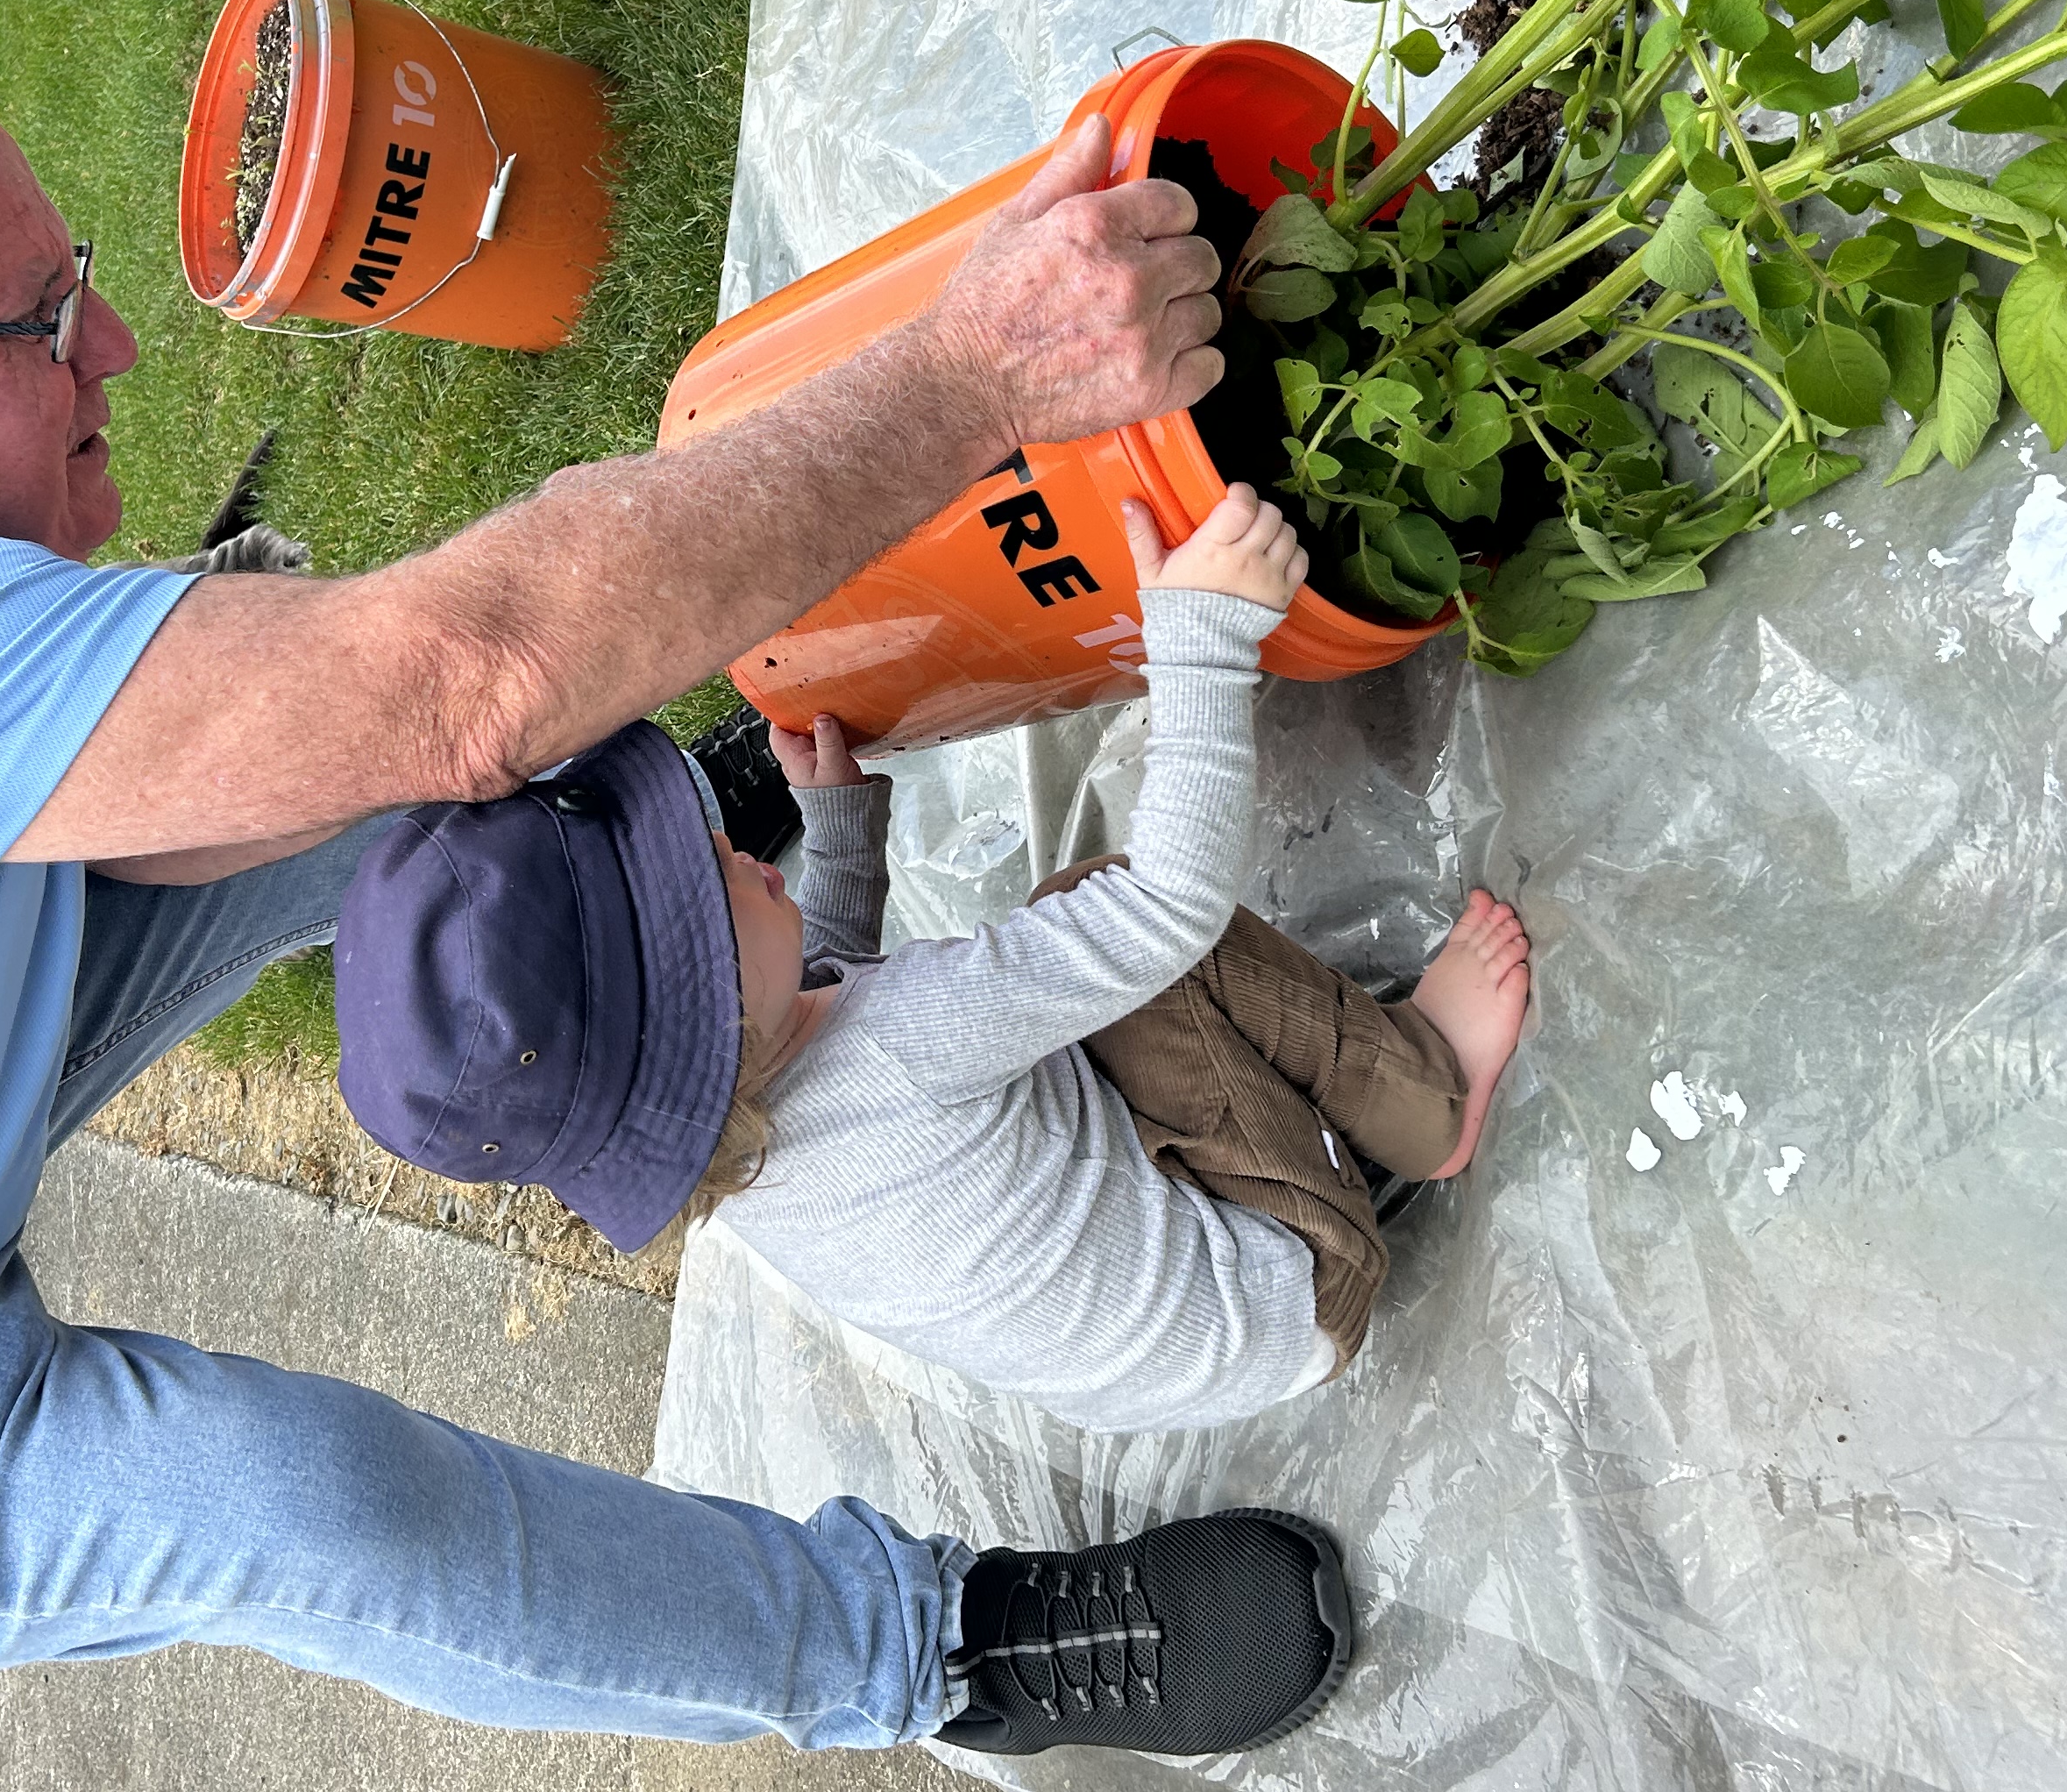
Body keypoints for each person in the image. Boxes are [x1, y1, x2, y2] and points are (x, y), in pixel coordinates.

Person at [0, 58, 1354, 1761]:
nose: (119, 344)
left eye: (72, 275)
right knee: (278, 1509)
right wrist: (982, 372)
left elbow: (378, 716)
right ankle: (947, 1657)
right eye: (39, 325)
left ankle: (679, 874)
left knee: (322, 713)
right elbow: (465, 675)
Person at [334, 484, 1531, 1438]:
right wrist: (1203, 641)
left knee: (1086, 960)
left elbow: (824, 995)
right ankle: (1424, 1093)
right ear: (701, 1038)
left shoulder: (738, 1139)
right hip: (1298, 1280)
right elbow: (1167, 909)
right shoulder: (908, 1049)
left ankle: (1344, 1111)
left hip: (1189, 1354)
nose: (726, 836)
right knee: (1113, 916)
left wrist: (842, 837)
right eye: (703, 890)